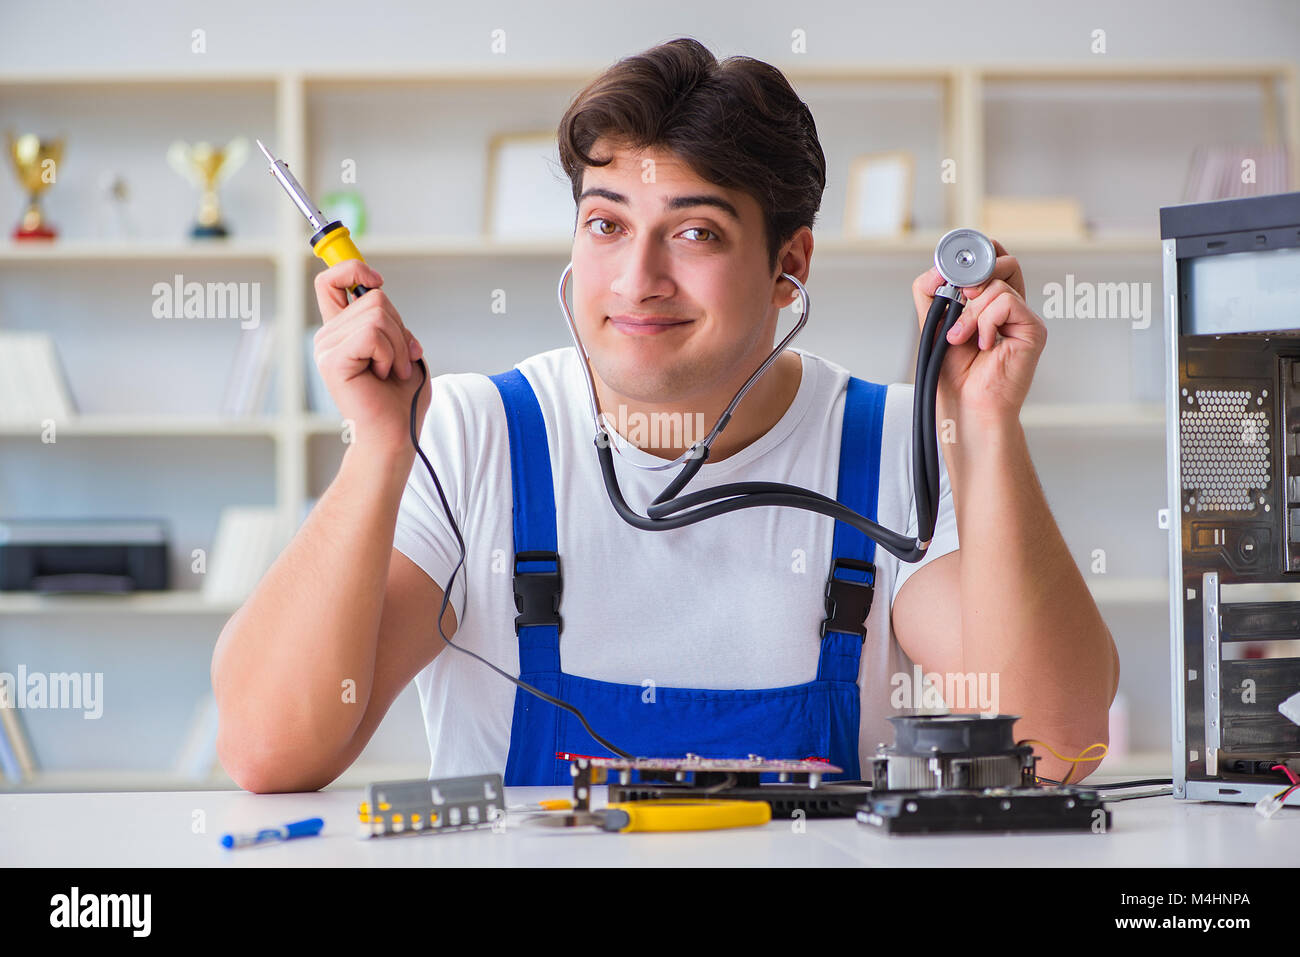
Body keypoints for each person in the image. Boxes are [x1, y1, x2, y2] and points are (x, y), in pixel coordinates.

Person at [211, 37, 1119, 792]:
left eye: (695, 232)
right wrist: (378, 448)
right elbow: (267, 749)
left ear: (787, 265)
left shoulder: (889, 448)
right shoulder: (473, 434)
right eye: (607, 224)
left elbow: (1057, 752)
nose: (638, 279)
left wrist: (987, 426)